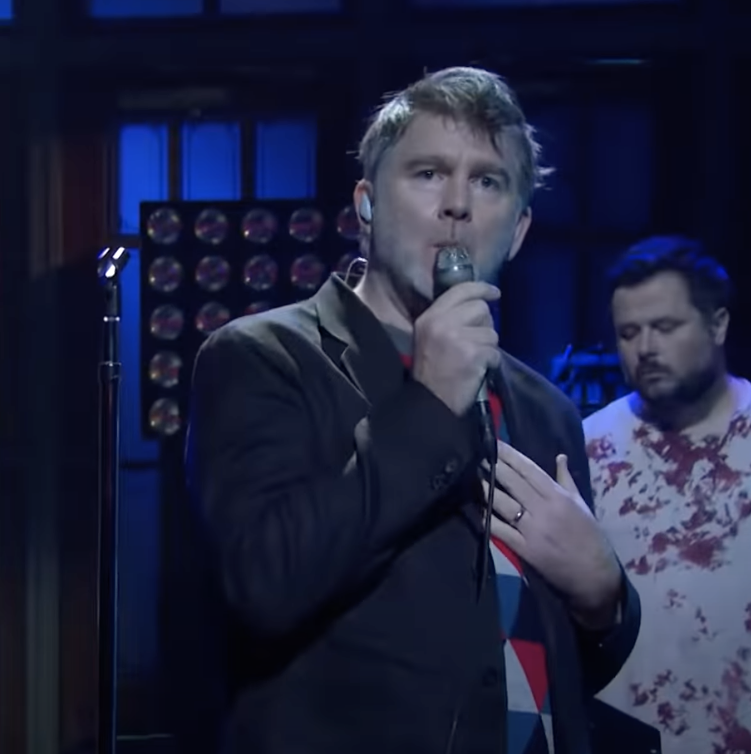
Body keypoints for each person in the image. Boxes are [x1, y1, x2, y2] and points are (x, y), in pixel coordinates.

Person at [185, 67, 641, 754]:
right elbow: (264, 586)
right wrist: (427, 405)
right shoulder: (263, 359)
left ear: (518, 230)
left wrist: (604, 594)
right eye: (429, 174)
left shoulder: (545, 409)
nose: (457, 204)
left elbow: (546, 668)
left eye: (487, 182)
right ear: (366, 204)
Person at [585, 237, 750, 754]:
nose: (646, 348)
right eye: (629, 333)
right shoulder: (586, 448)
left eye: (665, 327)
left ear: (718, 325)